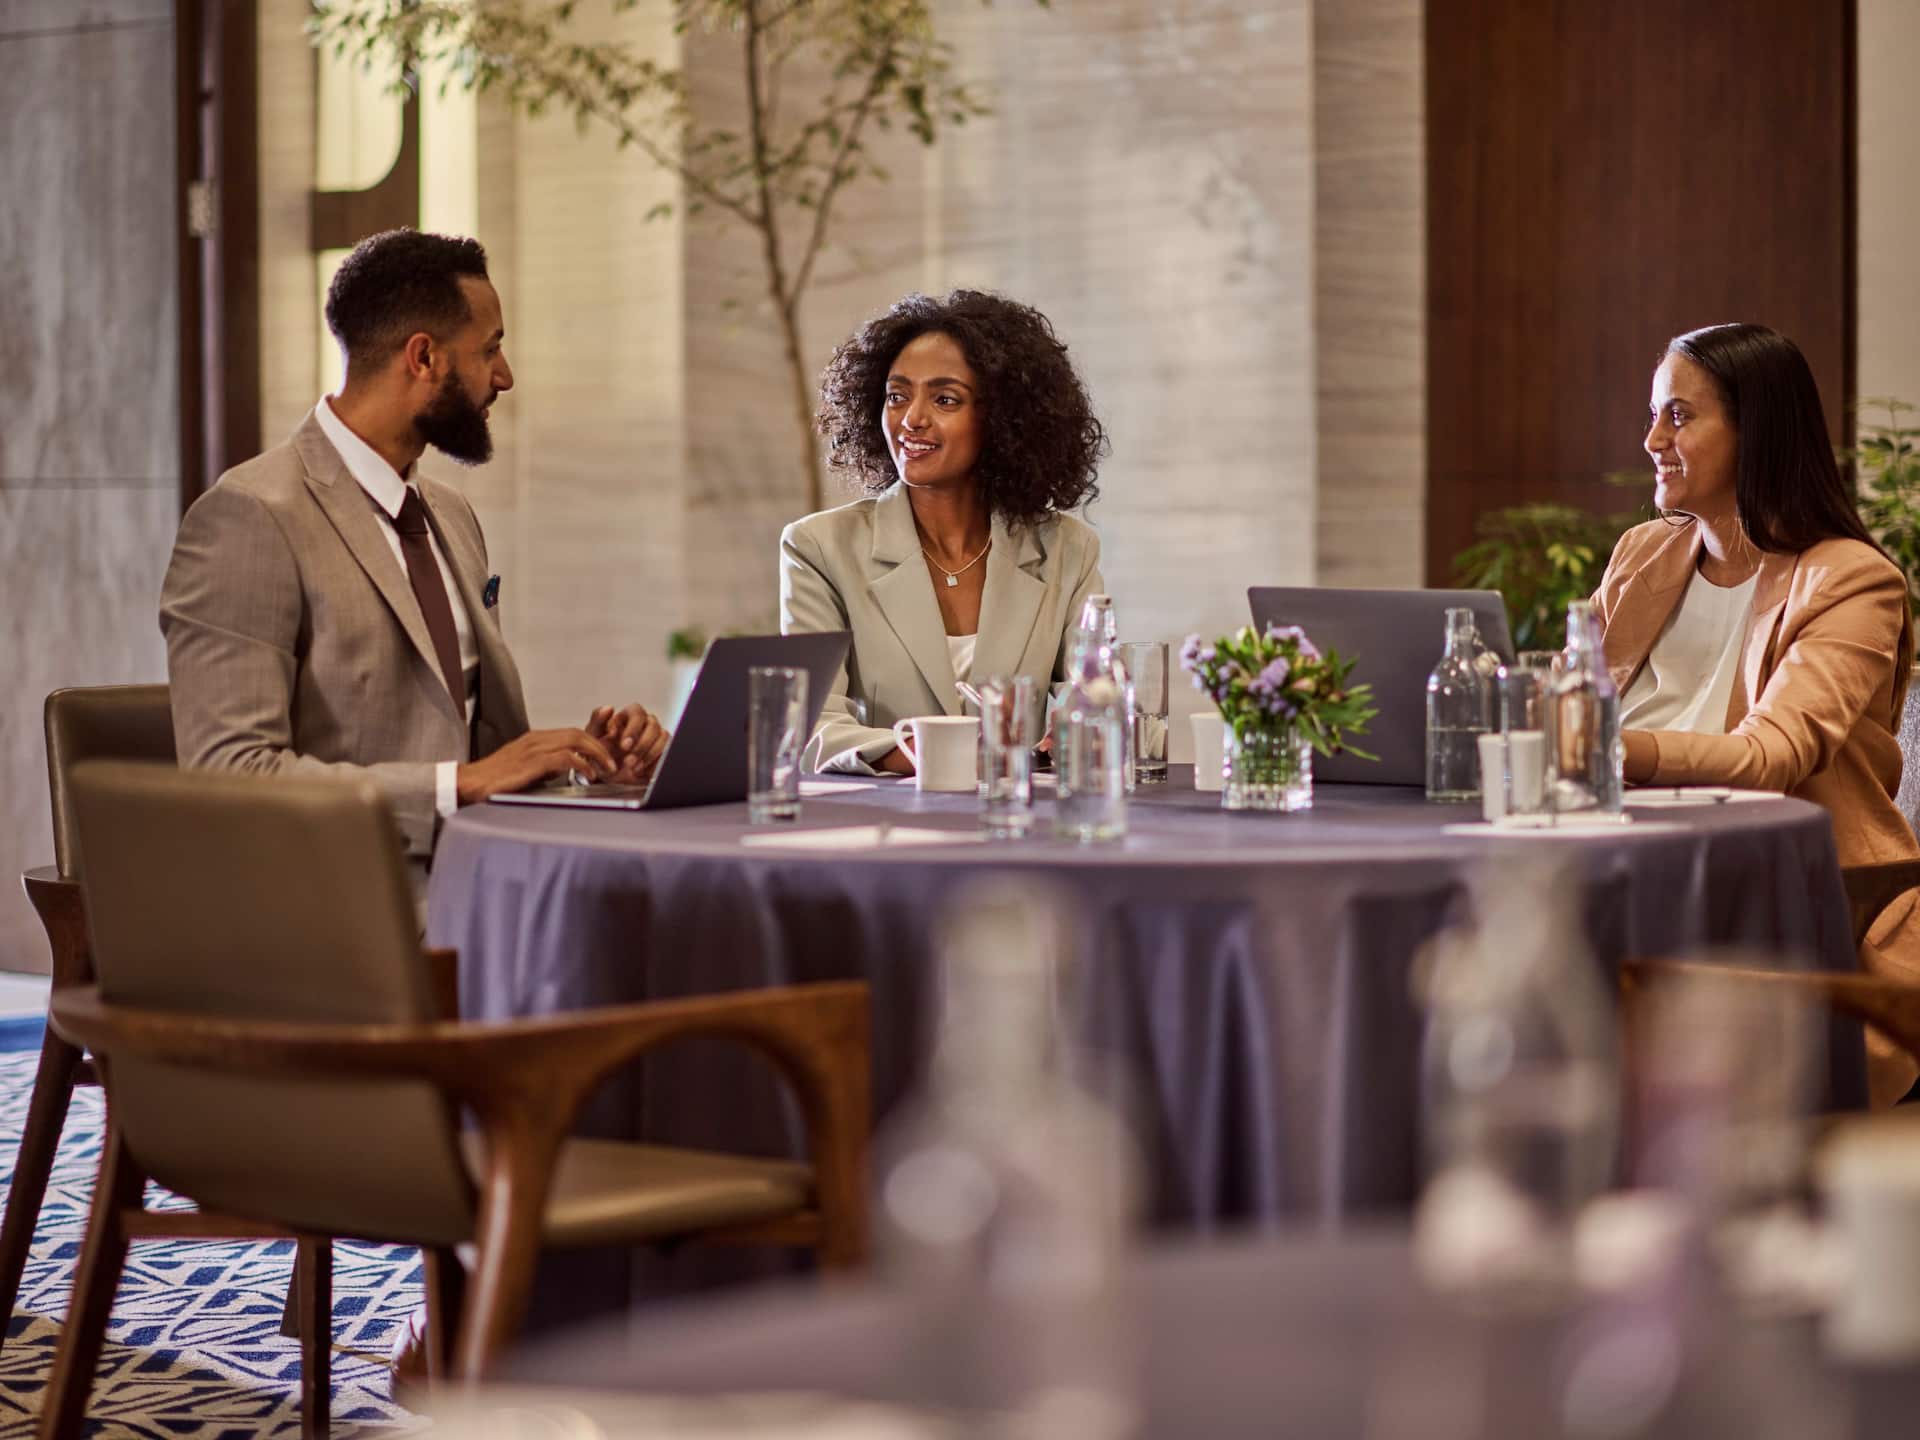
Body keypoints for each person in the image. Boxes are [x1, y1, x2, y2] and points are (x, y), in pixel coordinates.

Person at [161, 228, 669, 870]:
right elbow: (227, 779)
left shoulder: (451, 517)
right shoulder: (251, 516)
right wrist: (459, 785)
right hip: (347, 899)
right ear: (423, 357)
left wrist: (588, 769)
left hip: (480, 877)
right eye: (491, 350)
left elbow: (484, 753)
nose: (505, 378)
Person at [1593, 321, 1920, 1105]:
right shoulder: (1642, 555)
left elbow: (1769, 757)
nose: (1651, 439)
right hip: (1631, 869)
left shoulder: (1849, 579)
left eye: (1678, 416)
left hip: (1780, 909)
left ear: (1756, 429)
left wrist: (1601, 750)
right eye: (1653, 415)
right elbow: (1573, 697)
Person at [782, 289, 1108, 774]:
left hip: (1020, 821)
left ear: (1002, 419)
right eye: (896, 396)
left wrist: (1076, 728)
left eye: (945, 399)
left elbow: (1093, 700)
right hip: (888, 830)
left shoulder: (1067, 549)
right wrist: (929, 755)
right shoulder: (819, 547)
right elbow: (807, 725)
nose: (912, 419)